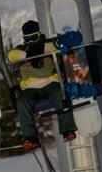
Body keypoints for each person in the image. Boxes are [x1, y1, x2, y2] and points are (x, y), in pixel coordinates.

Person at [8, 20, 77, 151]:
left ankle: (68, 130)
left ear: (39, 34)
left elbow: (56, 45)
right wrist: (28, 54)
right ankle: (30, 138)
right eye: (27, 39)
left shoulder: (47, 45)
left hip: (51, 81)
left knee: (59, 94)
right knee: (22, 101)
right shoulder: (21, 51)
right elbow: (11, 56)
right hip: (31, 87)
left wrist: (44, 48)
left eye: (33, 38)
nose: (30, 42)